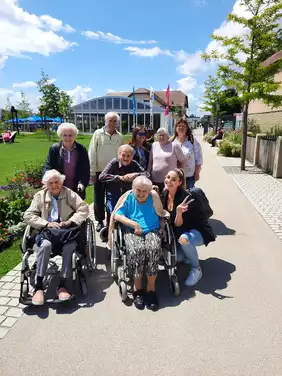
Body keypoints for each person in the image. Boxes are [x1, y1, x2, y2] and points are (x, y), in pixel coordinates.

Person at [23, 169, 89, 306]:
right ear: (46, 184)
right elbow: (28, 215)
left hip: (66, 231)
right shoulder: (40, 196)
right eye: (51, 183)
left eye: (57, 181)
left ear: (62, 182)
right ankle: (39, 286)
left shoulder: (69, 194)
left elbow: (84, 209)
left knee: (69, 246)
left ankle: (62, 285)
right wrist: (46, 223)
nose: (54, 185)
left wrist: (70, 221)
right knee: (45, 246)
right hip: (48, 232)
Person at [112, 176, 169, 311]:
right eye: (138, 190)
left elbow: (160, 212)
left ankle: (151, 289)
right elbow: (117, 215)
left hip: (152, 230)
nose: (141, 194)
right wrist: (134, 224)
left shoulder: (153, 197)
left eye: (145, 191)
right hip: (132, 231)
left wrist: (162, 226)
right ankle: (138, 289)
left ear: (149, 191)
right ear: (133, 189)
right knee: (136, 250)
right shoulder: (128, 198)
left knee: (153, 248)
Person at [162, 169, 215, 286]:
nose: (169, 181)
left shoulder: (186, 198)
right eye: (168, 177)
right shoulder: (165, 193)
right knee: (176, 257)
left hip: (198, 231)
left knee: (184, 239)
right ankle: (187, 255)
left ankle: (197, 269)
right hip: (181, 231)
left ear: (179, 183)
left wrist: (179, 212)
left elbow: (178, 224)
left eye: (173, 179)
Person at [99, 144, 150, 227]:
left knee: (131, 215)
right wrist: (119, 178)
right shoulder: (114, 163)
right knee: (114, 214)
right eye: (123, 155)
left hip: (129, 196)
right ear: (119, 155)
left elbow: (147, 175)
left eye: (128, 156)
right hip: (114, 195)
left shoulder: (134, 164)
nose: (126, 158)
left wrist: (135, 175)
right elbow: (102, 176)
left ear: (132, 157)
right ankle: (110, 233)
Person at [88, 112, 123, 232]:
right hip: (99, 172)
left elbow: (121, 155)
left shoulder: (120, 136)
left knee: (112, 197)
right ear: (105, 121)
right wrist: (92, 172)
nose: (112, 123)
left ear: (117, 122)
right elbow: (92, 152)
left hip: (113, 173)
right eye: (110, 121)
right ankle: (99, 221)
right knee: (98, 198)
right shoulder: (98, 134)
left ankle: (110, 220)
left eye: (114, 121)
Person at [44, 123, 90, 200]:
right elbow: (48, 166)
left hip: (76, 188)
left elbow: (85, 169)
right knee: (59, 210)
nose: (67, 138)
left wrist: (82, 183)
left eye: (70, 135)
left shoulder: (81, 149)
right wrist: (47, 180)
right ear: (60, 136)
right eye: (65, 135)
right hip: (58, 187)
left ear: (74, 136)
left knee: (77, 210)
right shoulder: (54, 149)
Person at [147, 127, 187, 192]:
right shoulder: (154, 145)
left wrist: (181, 176)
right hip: (155, 180)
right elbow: (150, 162)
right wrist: (148, 176)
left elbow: (183, 161)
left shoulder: (174, 145)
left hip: (170, 181)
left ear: (168, 136)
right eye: (160, 135)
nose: (161, 137)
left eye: (163, 135)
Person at [172, 119, 203, 189]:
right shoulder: (172, 141)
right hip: (175, 176)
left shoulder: (192, 140)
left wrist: (197, 173)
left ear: (187, 128)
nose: (181, 128)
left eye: (183, 126)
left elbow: (199, 157)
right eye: (179, 126)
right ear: (176, 128)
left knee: (188, 195)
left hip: (189, 175)